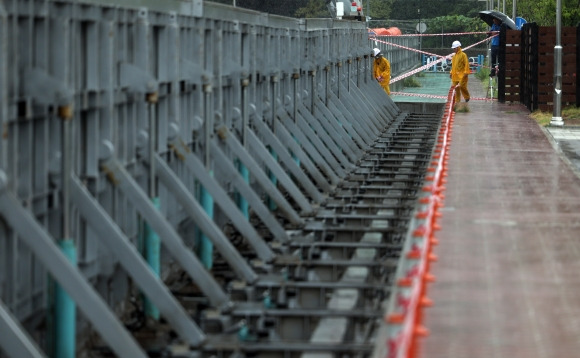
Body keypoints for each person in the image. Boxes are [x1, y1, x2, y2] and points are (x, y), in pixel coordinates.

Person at [450, 40, 470, 104]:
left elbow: (466, 64)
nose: (454, 49)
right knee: (456, 88)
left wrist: (466, 72)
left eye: (454, 48)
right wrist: (451, 73)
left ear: (458, 47)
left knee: (462, 86)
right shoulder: (454, 56)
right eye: (453, 48)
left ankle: (467, 97)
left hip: (462, 75)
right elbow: (453, 66)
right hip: (455, 75)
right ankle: (457, 101)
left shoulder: (463, 55)